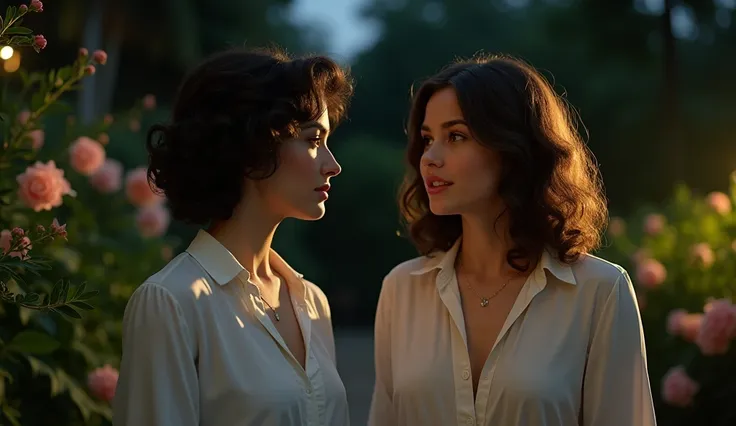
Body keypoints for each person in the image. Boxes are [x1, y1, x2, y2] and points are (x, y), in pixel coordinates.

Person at [368, 54, 656, 426]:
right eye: (427, 139)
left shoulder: (599, 292)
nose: (430, 159)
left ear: (513, 148)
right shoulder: (402, 290)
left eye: (456, 136)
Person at [113, 46, 354, 426]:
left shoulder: (311, 303)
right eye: (312, 140)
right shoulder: (172, 303)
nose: (333, 164)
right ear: (253, 145)